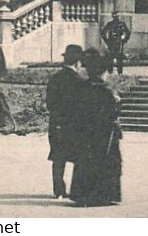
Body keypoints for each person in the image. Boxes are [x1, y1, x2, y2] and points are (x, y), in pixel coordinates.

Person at [69, 51, 122, 208]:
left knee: (86, 160)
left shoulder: (82, 88)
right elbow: (112, 112)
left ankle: (82, 194)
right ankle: (103, 195)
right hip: (104, 132)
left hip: (85, 132)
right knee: (105, 161)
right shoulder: (105, 91)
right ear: (102, 72)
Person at [46, 44, 88, 199]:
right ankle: (77, 190)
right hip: (74, 125)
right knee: (79, 156)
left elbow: (49, 103)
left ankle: (58, 189)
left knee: (58, 157)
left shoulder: (55, 78)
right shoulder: (80, 81)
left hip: (56, 123)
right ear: (77, 63)